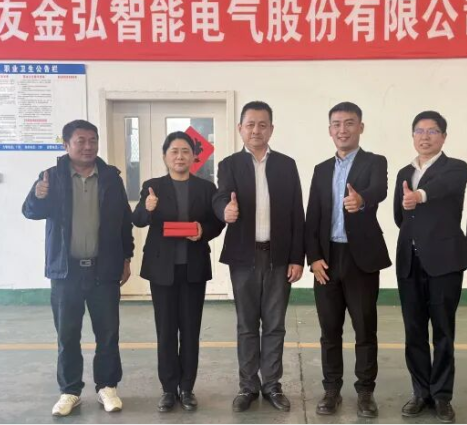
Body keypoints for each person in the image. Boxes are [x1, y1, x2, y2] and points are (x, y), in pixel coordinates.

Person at [22, 120, 134, 417]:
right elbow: (31, 212)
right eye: (80, 140)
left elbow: (124, 221)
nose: (88, 146)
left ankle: (107, 387)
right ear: (66, 144)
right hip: (65, 272)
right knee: (67, 334)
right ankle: (70, 391)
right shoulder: (52, 177)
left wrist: (127, 258)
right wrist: (38, 195)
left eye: (92, 140)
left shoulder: (111, 178)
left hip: (103, 270)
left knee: (108, 333)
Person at [212, 101, 305, 413]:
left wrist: (297, 257)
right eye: (250, 124)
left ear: (271, 129)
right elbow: (220, 196)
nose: (256, 130)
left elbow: (297, 213)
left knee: (275, 324)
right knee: (247, 324)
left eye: (262, 124)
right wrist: (225, 209)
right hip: (244, 257)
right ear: (240, 128)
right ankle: (248, 386)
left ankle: (272, 385)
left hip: (278, 257)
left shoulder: (286, 165)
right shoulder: (229, 165)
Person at [305, 102, 391, 419]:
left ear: (360, 127)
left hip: (361, 260)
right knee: (330, 331)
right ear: (330, 130)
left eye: (349, 123)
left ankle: (365, 392)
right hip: (327, 260)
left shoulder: (374, 162)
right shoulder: (321, 169)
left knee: (365, 329)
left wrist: (361, 200)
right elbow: (312, 217)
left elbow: (379, 189)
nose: (343, 130)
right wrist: (314, 258)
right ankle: (331, 391)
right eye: (337, 124)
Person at [132, 132, 226, 413]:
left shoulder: (206, 188)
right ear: (165, 156)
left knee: (190, 330)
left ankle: (187, 387)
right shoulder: (153, 187)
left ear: (194, 156)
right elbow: (138, 220)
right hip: (162, 269)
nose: (180, 156)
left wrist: (203, 231)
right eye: (174, 151)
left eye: (185, 151)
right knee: (166, 331)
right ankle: (168, 389)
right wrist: (147, 208)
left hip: (193, 268)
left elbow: (217, 223)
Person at [393, 111, 467, 423]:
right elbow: (400, 217)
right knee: (414, 331)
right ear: (412, 136)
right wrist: (411, 206)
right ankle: (421, 392)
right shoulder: (404, 172)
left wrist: (419, 196)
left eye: (432, 131)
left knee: (443, 331)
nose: (425, 137)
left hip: (444, 262)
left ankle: (441, 396)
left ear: (443, 136)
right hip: (410, 261)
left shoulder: (456, 168)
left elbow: (441, 187)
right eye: (419, 131)